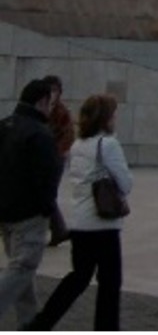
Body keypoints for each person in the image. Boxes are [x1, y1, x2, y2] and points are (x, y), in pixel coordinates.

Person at [27, 93, 132, 331]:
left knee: (78, 277)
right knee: (110, 283)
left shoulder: (77, 145)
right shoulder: (108, 144)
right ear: (106, 118)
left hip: (81, 222)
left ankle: (42, 322)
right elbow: (125, 183)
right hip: (104, 224)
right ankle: (106, 328)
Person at [0, 80, 62, 329]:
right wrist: (47, 209)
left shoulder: (4, 126)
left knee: (22, 271)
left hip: (5, 212)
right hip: (29, 215)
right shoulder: (39, 134)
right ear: (42, 102)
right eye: (51, 103)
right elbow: (47, 178)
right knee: (22, 269)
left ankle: (30, 323)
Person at [42, 77, 74, 249]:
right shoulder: (40, 107)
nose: (53, 94)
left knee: (47, 193)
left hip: (55, 158)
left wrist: (57, 153)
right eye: (50, 90)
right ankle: (58, 229)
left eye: (56, 90)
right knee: (45, 194)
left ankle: (58, 229)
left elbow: (68, 135)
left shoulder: (61, 111)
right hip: (40, 156)